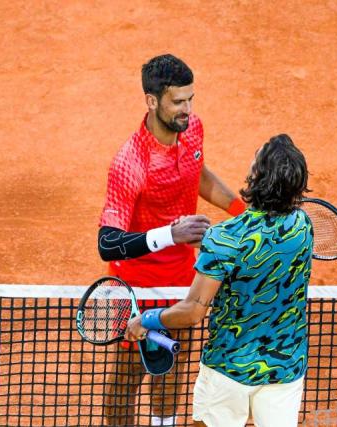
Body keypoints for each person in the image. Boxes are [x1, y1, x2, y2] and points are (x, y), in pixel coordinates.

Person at [98, 54, 246, 426]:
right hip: (137, 285)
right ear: (152, 101)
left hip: (183, 275)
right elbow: (108, 241)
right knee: (130, 372)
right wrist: (171, 234)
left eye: (190, 99)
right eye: (178, 102)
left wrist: (241, 211)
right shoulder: (130, 163)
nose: (187, 109)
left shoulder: (192, 128)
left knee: (173, 362)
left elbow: (196, 173)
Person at [126, 134, 313, 427]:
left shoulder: (224, 239)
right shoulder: (303, 227)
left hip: (228, 370)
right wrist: (211, 245)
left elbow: (193, 310)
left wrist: (146, 320)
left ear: (256, 176)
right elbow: (259, 250)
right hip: (285, 369)